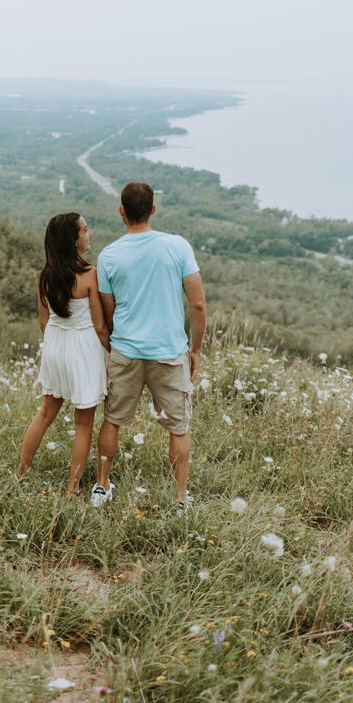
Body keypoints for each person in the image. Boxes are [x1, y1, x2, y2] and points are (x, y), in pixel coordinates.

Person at [93, 181, 206, 513]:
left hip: (126, 349)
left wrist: (123, 337)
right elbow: (197, 305)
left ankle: (101, 487)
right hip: (168, 351)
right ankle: (181, 497)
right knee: (178, 425)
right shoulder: (178, 246)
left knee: (113, 419)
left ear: (121, 212)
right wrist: (195, 349)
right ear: (153, 209)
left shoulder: (108, 255)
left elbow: (109, 311)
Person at [18, 212, 111, 496]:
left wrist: (58, 342)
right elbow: (99, 325)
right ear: (72, 240)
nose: (89, 234)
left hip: (55, 346)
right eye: (85, 230)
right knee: (84, 422)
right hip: (83, 348)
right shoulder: (89, 275)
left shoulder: (45, 276)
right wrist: (113, 351)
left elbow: (43, 323)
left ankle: (20, 473)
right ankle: (72, 488)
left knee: (46, 412)